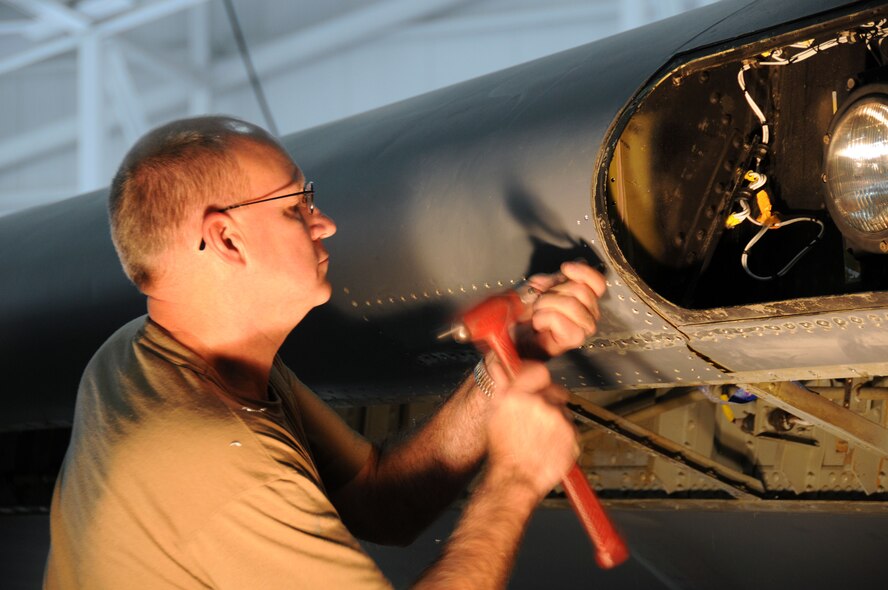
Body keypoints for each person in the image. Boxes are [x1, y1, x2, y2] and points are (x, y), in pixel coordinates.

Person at [44, 116, 607, 589]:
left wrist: (508, 363)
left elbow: (379, 501)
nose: (326, 224)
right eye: (296, 206)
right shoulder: (217, 453)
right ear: (227, 240)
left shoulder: (142, 356)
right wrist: (514, 480)